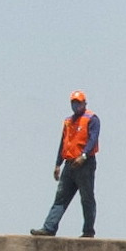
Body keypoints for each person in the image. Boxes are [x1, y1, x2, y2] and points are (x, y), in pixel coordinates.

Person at [31, 91, 99, 238]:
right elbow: (63, 143)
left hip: (84, 164)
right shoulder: (68, 121)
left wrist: (84, 155)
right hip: (69, 164)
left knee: (87, 197)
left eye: (78, 102)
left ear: (84, 103)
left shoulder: (91, 119)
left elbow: (93, 139)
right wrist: (58, 164)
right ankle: (49, 228)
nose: (76, 105)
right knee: (61, 197)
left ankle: (88, 231)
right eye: (73, 102)